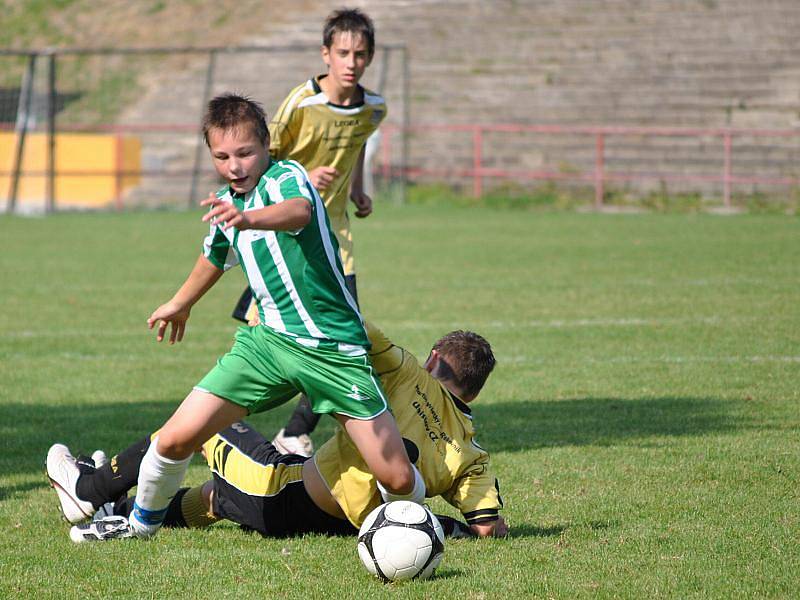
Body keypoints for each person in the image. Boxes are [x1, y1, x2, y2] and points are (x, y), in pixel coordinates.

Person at [44, 93, 423, 540]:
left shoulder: (288, 178)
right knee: (173, 439)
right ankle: (138, 527)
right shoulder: (226, 204)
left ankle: (419, 527)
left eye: (245, 153)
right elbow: (214, 256)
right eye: (222, 156)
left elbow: (297, 213)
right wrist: (181, 302)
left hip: (332, 349)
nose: (235, 166)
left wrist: (249, 217)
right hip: (267, 345)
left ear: (266, 146)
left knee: (397, 477)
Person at [48, 322, 507, 542]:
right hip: (335, 523)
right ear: (475, 393)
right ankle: (121, 511)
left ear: (432, 359)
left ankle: (88, 489)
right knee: (218, 497)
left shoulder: (408, 372)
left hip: (283, 493)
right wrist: (444, 527)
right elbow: (489, 529)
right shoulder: (473, 453)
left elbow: (350, 325)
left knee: (204, 422)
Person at [231, 8, 387, 456]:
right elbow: (266, 155)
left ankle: (295, 430)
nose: (351, 62)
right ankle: (227, 417)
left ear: (370, 57)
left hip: (335, 237)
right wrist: (302, 175)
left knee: (347, 336)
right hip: (286, 236)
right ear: (325, 54)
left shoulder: (374, 108)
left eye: (360, 54)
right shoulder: (301, 102)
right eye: (342, 52)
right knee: (273, 338)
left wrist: (357, 190)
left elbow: (355, 147)